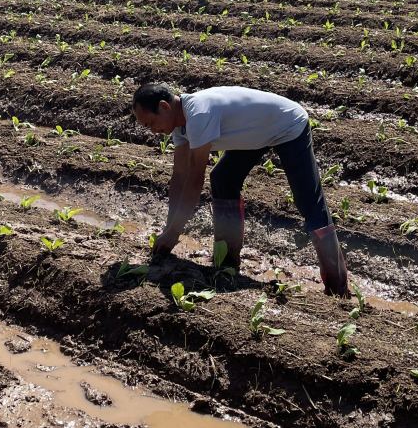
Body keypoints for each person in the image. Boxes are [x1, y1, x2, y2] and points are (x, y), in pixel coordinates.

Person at [131, 82, 348, 296]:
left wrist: (174, 233)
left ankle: (337, 287)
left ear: (164, 107)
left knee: (308, 201)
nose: (152, 131)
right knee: (223, 178)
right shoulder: (180, 127)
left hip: (287, 124)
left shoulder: (198, 113)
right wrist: (170, 230)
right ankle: (227, 264)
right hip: (256, 133)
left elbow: (195, 180)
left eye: (151, 123)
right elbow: (179, 178)